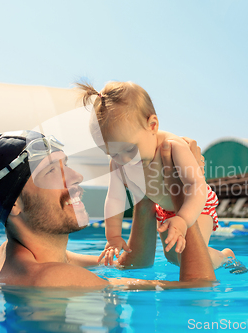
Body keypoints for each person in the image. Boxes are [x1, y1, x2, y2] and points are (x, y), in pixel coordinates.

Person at [0, 130, 216, 289]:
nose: (76, 176)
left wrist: (148, 186)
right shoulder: (50, 278)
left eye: (67, 165)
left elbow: (130, 265)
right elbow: (200, 289)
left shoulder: (14, 256)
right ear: (14, 205)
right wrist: (183, 190)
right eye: (52, 171)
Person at [77, 82, 234, 268]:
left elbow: (196, 184)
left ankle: (225, 257)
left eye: (129, 149)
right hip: (165, 209)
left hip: (196, 203)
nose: (125, 159)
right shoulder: (119, 163)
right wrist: (113, 237)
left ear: (152, 125)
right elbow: (114, 199)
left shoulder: (173, 146)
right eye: (114, 153)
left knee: (188, 258)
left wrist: (183, 220)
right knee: (172, 257)